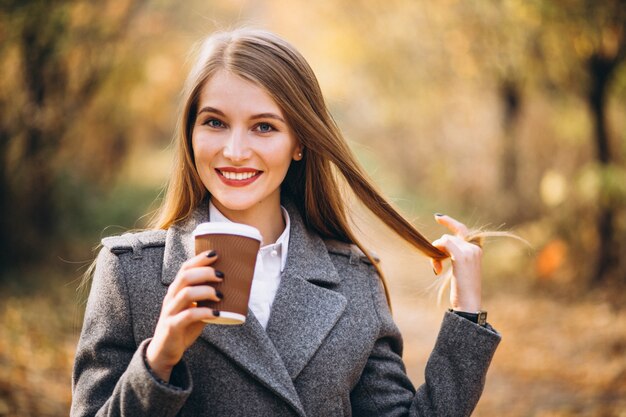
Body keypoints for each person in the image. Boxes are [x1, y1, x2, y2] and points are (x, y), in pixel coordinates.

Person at [71, 28, 501, 417]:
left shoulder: (354, 281)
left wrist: (468, 314)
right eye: (215, 123)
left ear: (299, 143)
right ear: (190, 134)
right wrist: (158, 359)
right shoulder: (131, 274)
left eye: (264, 127)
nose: (235, 151)